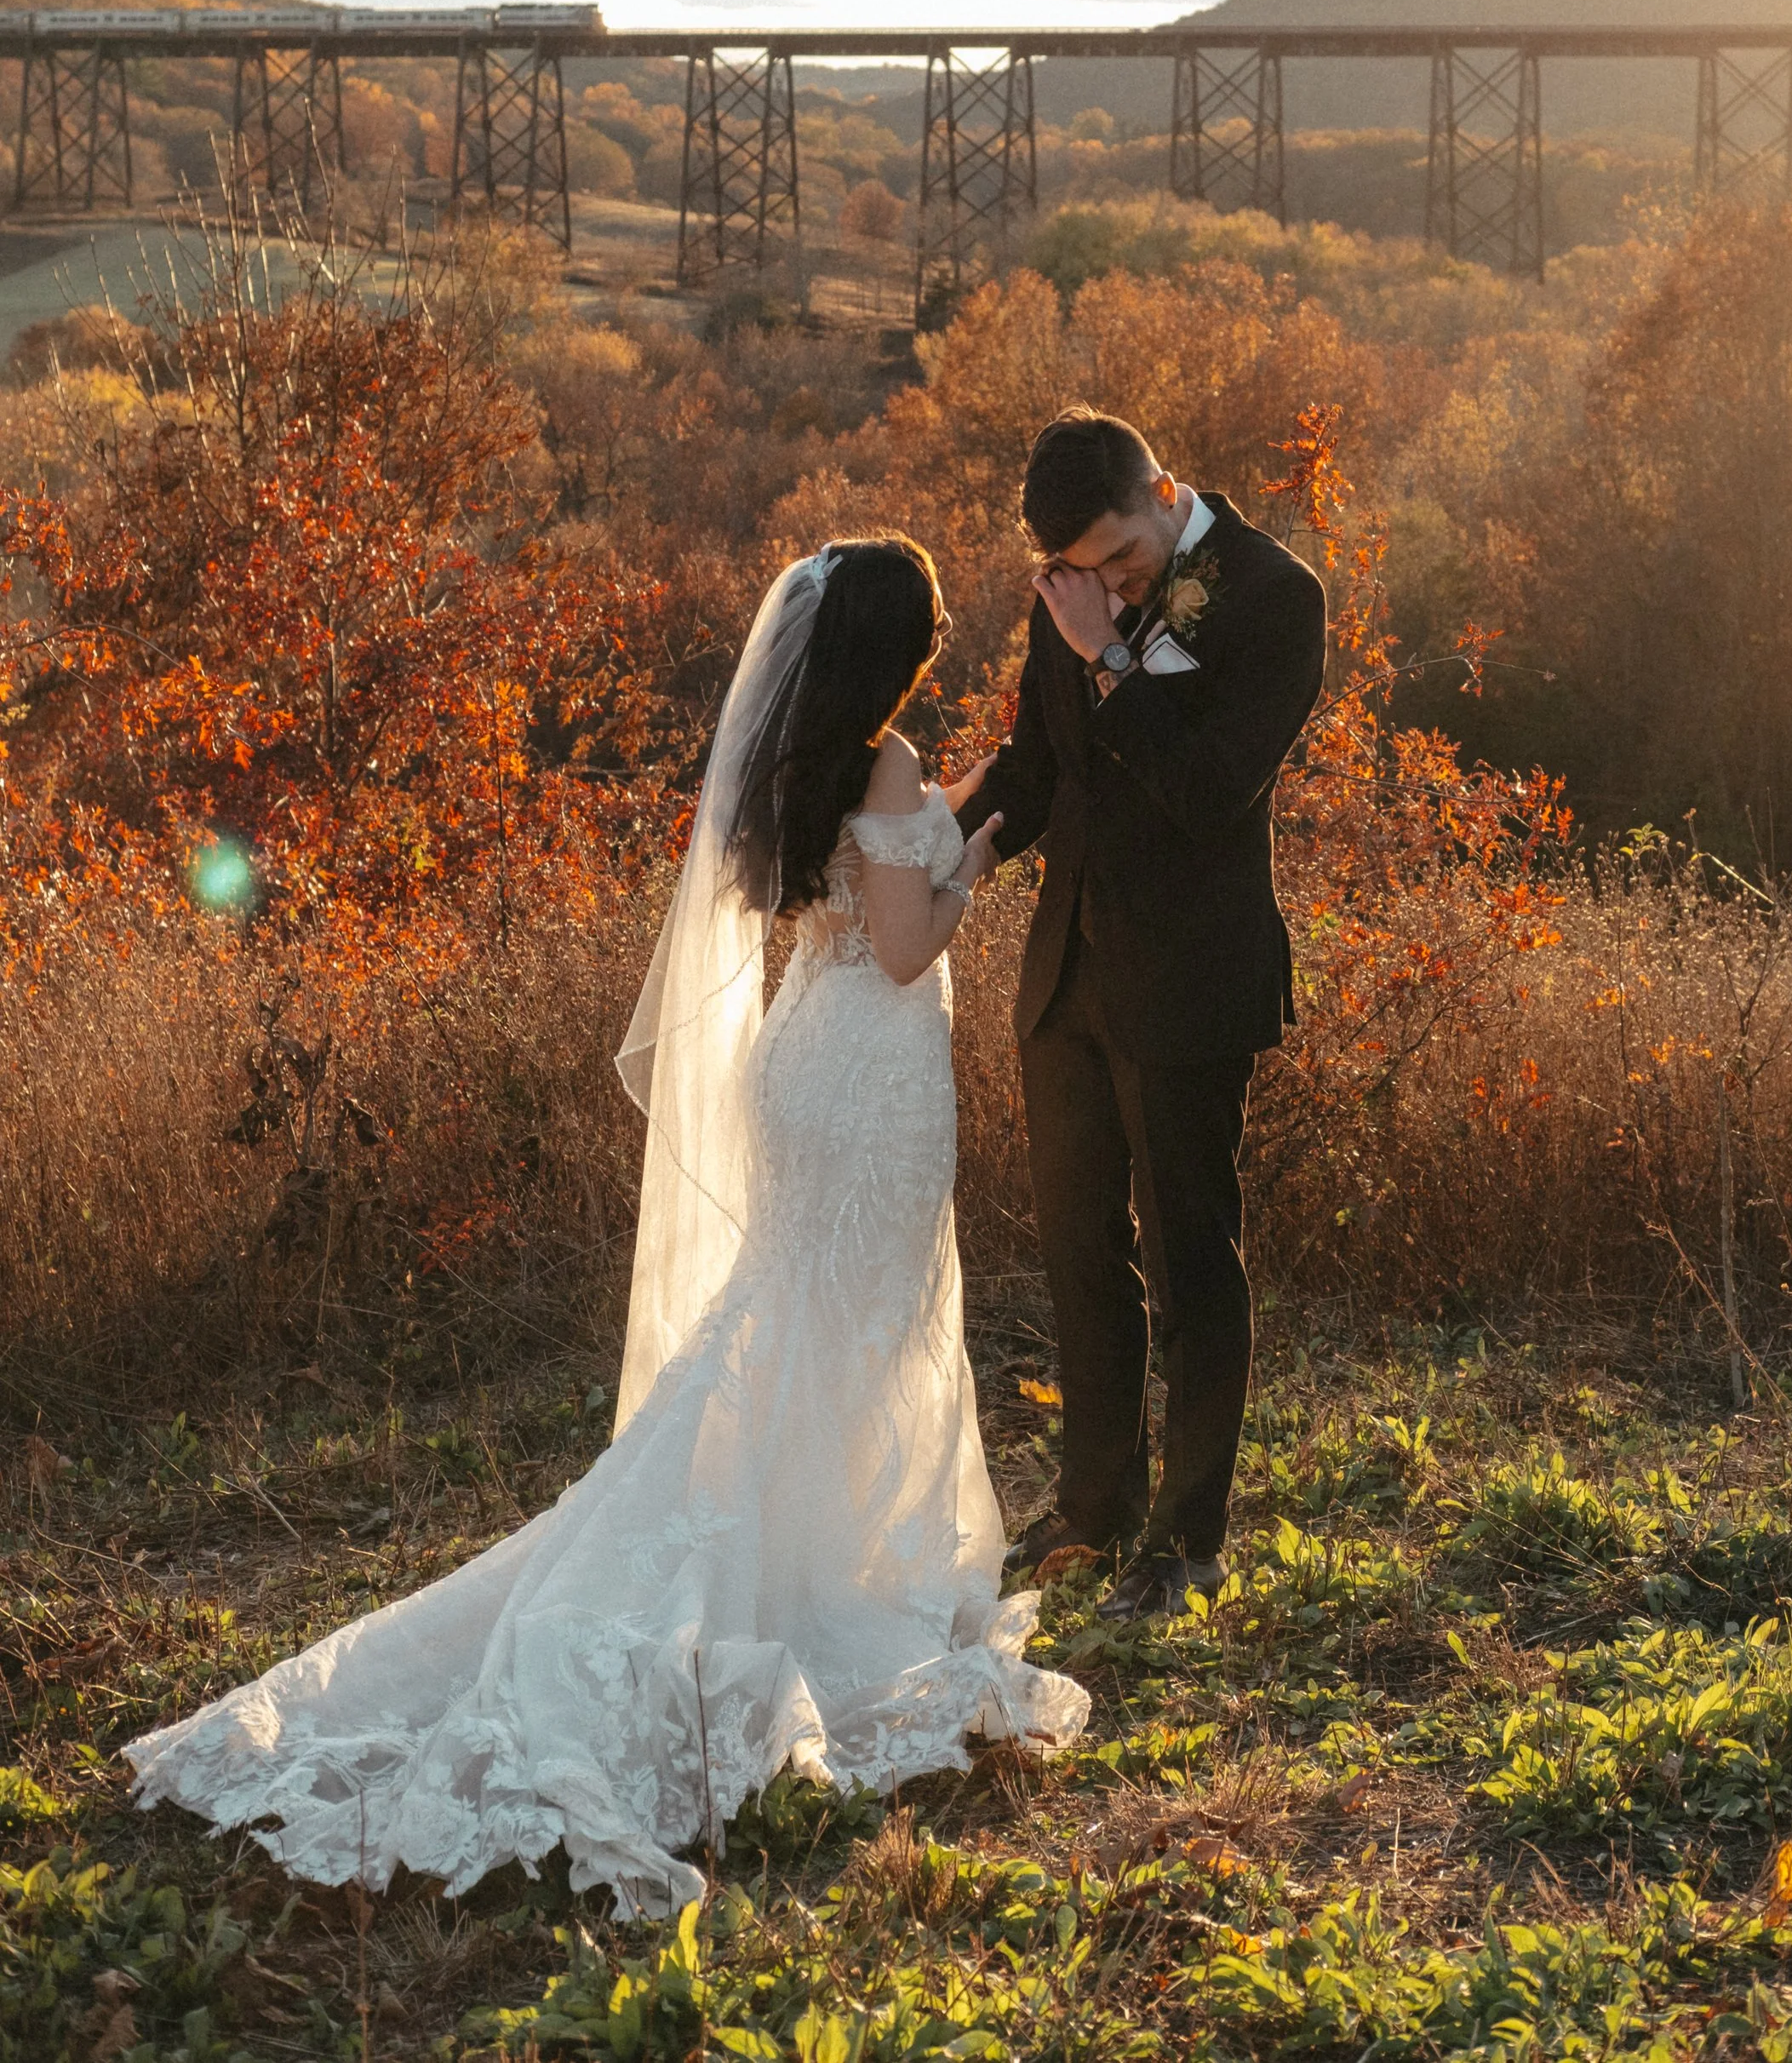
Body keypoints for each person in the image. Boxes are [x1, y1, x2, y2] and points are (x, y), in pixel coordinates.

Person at [126, 538, 1088, 1916]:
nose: (937, 644)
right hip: (869, 1077)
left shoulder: (799, 759)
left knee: (794, 1316)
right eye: (928, 629)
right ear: (890, 649)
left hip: (803, 1060)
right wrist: (977, 854)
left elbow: (855, 881)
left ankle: (802, 1543)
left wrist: (959, 809)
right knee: (855, 1323)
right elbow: (902, 945)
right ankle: (818, 1576)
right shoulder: (884, 761)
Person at [958, 410, 1326, 1619]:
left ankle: (1187, 1541)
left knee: (1189, 1263)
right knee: (1080, 1256)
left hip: (1191, 978)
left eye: (1122, 556)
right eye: (1083, 569)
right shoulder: (1070, 596)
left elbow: (1213, 790)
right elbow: (1037, 768)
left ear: (1164, 493)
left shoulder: (1276, 597)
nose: (1109, 583)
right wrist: (928, 860)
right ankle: (1094, 1506)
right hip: (1068, 973)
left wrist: (1111, 655)